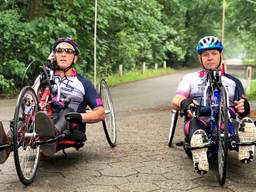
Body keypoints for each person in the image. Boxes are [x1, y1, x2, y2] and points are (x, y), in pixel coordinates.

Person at [0, 37, 105, 161]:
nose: (63, 54)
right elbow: (29, 98)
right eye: (59, 50)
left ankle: (51, 134)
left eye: (68, 51)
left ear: (75, 58)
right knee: (23, 120)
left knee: (67, 111)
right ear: (54, 55)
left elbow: (101, 112)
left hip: (66, 121)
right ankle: (5, 146)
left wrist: (80, 117)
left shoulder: (83, 83)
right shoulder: (43, 78)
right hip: (41, 115)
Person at [171, 35, 256, 174]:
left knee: (240, 124)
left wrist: (244, 107)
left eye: (214, 53)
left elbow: (242, 111)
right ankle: (199, 151)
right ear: (200, 58)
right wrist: (185, 103)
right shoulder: (190, 78)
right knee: (195, 126)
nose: (210, 57)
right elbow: (176, 100)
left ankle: (245, 144)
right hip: (200, 120)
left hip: (226, 120)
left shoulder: (233, 82)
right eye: (205, 54)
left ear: (220, 55)